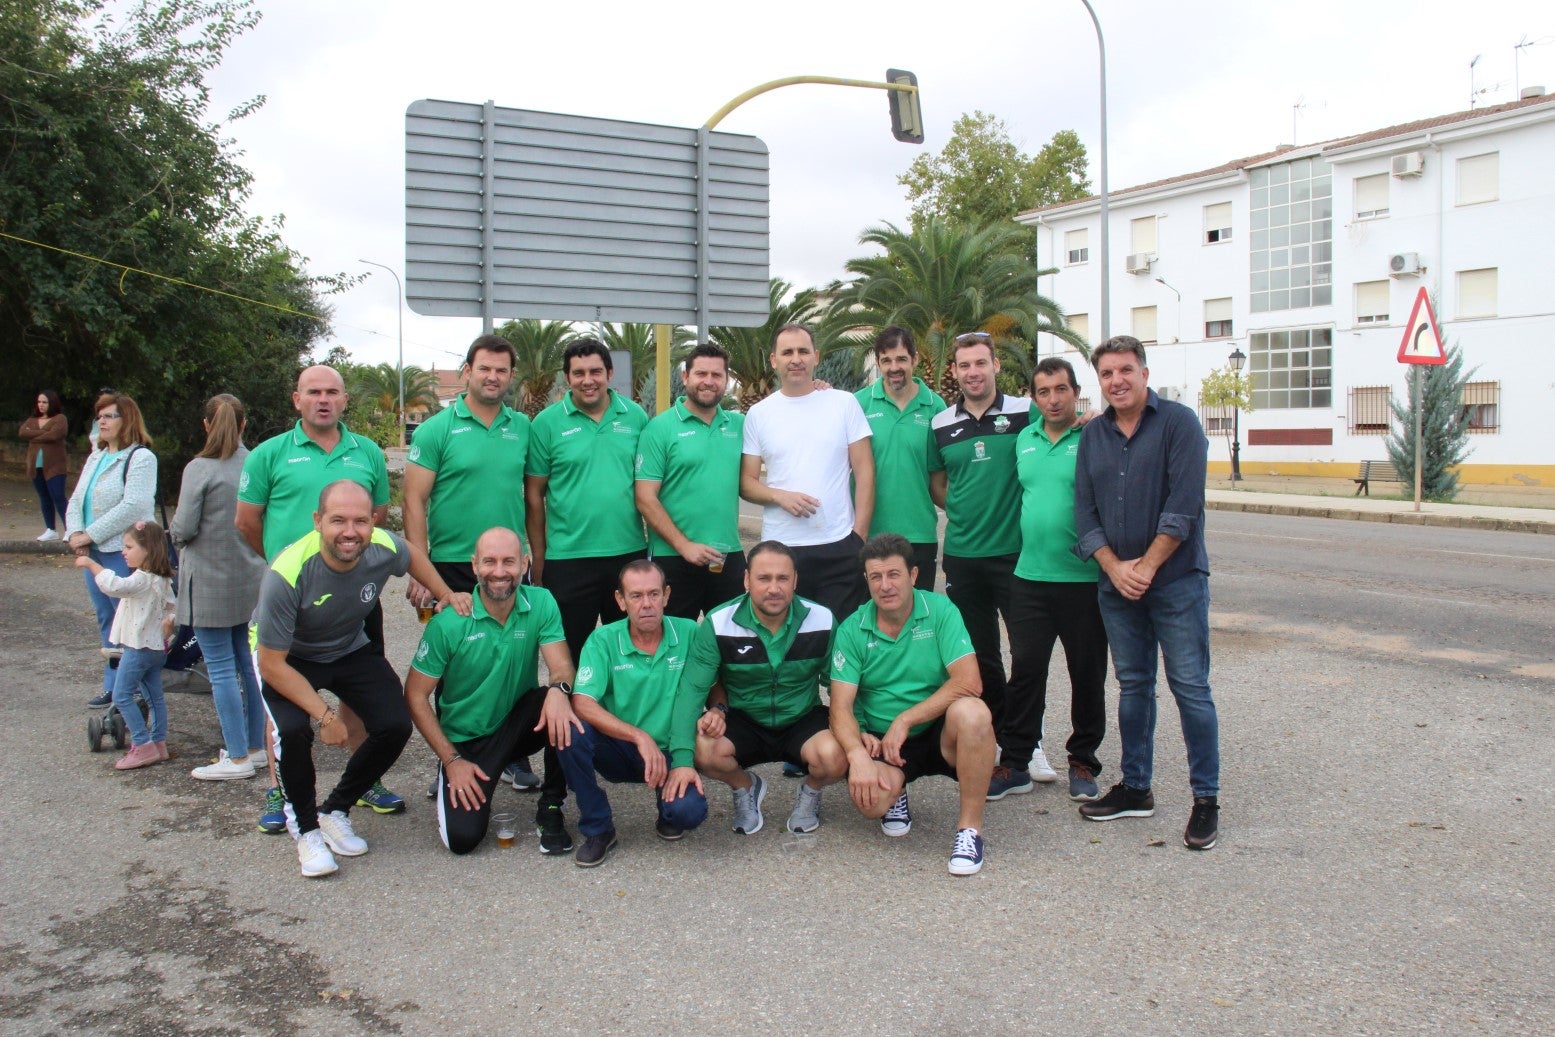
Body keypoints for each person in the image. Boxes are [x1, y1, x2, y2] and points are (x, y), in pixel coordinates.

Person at [254, 481, 470, 878]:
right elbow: (272, 665)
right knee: (293, 731)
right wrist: (325, 716)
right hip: (287, 656)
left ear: (373, 523)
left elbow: (412, 555)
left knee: (394, 724)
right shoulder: (286, 573)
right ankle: (305, 832)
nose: (349, 532)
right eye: (337, 521)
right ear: (318, 522)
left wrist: (445, 593)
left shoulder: (383, 546)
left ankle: (335, 809)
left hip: (347, 646)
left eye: (359, 521)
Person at [237, 364, 404, 826]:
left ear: (345, 400)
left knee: (359, 683)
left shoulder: (367, 452)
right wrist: (284, 567)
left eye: (332, 392)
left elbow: (377, 515)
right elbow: (247, 522)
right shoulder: (269, 455)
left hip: (354, 594)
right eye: (314, 392)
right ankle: (279, 790)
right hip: (293, 595)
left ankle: (362, 776)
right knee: (283, 696)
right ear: (297, 399)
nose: (323, 400)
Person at [1073, 335, 1221, 851]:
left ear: (1144, 372)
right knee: (1133, 686)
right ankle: (1136, 788)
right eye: (1107, 373)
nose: (1117, 380)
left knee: (1190, 689)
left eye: (1126, 370)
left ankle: (1206, 800)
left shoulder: (1179, 424)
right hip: (1117, 585)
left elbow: (1184, 507)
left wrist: (1146, 567)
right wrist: (1116, 568)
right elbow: (1084, 513)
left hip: (1176, 582)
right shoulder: (1093, 435)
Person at [403, 334, 543, 792]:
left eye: (501, 370)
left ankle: (514, 754)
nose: (493, 377)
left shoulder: (523, 427)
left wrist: (532, 560)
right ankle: (451, 757)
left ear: (510, 376)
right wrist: (419, 569)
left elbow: (533, 495)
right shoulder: (436, 429)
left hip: (507, 564)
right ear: (467, 370)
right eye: (484, 368)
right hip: (450, 565)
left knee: (517, 659)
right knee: (455, 664)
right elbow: (414, 499)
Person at [404, 527, 581, 855]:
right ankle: (454, 770)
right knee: (463, 840)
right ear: (474, 566)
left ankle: (552, 805)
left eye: (509, 562)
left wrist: (559, 689)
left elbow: (562, 667)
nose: (499, 572)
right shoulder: (449, 623)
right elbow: (414, 696)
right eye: (489, 562)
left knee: (570, 702)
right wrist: (452, 758)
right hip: (468, 742)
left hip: (517, 723)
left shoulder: (540, 602)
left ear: (525, 563)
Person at [828, 533, 995, 876]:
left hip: (937, 730)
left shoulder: (940, 610)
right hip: (885, 742)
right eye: (876, 577)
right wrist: (858, 755)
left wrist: (905, 719)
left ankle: (969, 830)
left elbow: (969, 681)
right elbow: (840, 708)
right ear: (867, 580)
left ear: (913, 575)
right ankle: (896, 787)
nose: (885, 585)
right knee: (871, 804)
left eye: (894, 575)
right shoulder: (852, 628)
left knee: (975, 713)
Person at [927, 333, 1045, 779]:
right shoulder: (939, 424)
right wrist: (960, 510)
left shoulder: (1023, 412)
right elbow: (938, 483)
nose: (973, 372)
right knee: (980, 657)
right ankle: (994, 737)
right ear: (955, 371)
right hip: (963, 557)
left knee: (1028, 655)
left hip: (1018, 557)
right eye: (964, 365)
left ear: (995, 365)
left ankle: (1028, 744)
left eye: (981, 362)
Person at [991, 358, 1109, 803]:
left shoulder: (1096, 434)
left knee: (1086, 673)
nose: (1054, 399)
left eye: (1061, 390)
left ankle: (1083, 760)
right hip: (1029, 578)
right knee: (1026, 673)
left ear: (1076, 392)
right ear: (1033, 397)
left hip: (1083, 578)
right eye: (1044, 392)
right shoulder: (1024, 438)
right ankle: (1016, 763)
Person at [683, 541, 845, 835]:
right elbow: (692, 691)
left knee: (836, 756)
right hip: (743, 718)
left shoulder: (822, 619)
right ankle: (745, 786)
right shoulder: (719, 622)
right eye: (764, 578)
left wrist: (857, 741)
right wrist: (682, 761)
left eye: (783, 578)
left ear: (795, 580)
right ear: (746, 580)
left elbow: (840, 686)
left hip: (802, 717)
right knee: (703, 748)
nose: (774, 588)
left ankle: (811, 791)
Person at [555, 561, 707, 868]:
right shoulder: (603, 639)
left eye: (654, 594)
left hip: (670, 751)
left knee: (688, 813)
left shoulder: (690, 632)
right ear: (620, 601)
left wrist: (718, 709)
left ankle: (667, 810)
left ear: (667, 595)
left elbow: (714, 681)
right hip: (619, 748)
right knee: (568, 730)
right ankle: (598, 828)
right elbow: (582, 703)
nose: (646, 604)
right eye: (636, 596)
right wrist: (639, 737)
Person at [525, 338, 649, 664]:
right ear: (568, 378)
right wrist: (540, 558)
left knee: (629, 655)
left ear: (610, 373)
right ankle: (574, 715)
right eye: (578, 373)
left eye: (596, 371)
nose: (588, 380)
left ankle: (620, 715)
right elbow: (534, 495)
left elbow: (650, 487)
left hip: (628, 555)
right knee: (570, 659)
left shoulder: (635, 417)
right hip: (568, 561)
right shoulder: (546, 424)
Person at [740, 324, 874, 621]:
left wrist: (859, 537)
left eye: (803, 351)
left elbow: (865, 471)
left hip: (839, 545)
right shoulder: (759, 414)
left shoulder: (843, 403)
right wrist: (779, 496)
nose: (796, 359)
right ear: (774, 360)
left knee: (839, 641)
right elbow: (747, 484)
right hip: (781, 550)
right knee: (789, 644)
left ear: (816, 356)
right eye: (787, 352)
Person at [171, 394, 269, 780]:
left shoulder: (200, 467)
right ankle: (257, 746)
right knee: (249, 665)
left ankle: (237, 755)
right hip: (250, 579)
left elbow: (183, 527)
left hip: (208, 580)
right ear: (244, 424)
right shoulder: (257, 462)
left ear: (207, 424)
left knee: (221, 668)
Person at [635, 342, 747, 619]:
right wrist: (684, 545)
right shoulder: (659, 428)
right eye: (701, 374)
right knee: (673, 644)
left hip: (727, 557)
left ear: (726, 380)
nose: (708, 381)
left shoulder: (740, 425)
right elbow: (645, 498)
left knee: (732, 646)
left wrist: (815, 390)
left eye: (717, 375)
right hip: (673, 558)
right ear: (685, 377)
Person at [65, 393, 157, 707]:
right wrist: (76, 533)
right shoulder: (97, 456)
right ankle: (113, 685)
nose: (101, 422)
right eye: (99, 417)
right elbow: (77, 499)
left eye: (109, 416)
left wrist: (88, 534)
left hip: (122, 550)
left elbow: (133, 506)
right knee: (107, 618)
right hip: (93, 550)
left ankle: (133, 688)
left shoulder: (141, 457)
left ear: (126, 420)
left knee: (128, 619)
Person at [76, 520, 176, 769]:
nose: (123, 551)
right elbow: (173, 607)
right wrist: (168, 624)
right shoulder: (162, 579)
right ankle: (158, 743)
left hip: (138, 648)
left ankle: (142, 745)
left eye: (129, 546)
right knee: (154, 697)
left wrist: (91, 564)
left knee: (121, 696)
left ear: (147, 550)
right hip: (156, 648)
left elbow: (115, 586)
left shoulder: (142, 578)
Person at [854, 328, 946, 590]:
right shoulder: (858, 405)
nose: (894, 367)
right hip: (869, 534)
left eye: (901, 359)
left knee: (918, 621)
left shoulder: (935, 406)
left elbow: (939, 477)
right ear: (878, 362)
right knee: (872, 620)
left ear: (914, 360)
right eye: (886, 360)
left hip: (920, 535)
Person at [20, 389, 69, 542]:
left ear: (52, 403)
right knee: (44, 497)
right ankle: (51, 529)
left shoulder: (60, 419)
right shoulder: (32, 419)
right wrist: (43, 435)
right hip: (36, 466)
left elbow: (55, 434)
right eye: (39, 402)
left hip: (55, 466)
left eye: (44, 402)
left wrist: (33, 435)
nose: (41, 405)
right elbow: (22, 432)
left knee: (58, 496)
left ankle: (71, 529)